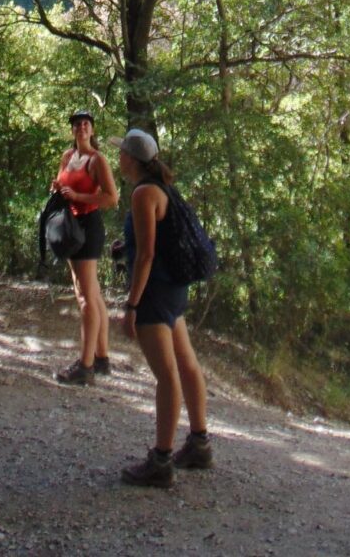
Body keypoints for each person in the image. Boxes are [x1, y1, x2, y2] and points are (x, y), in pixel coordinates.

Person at [110, 128, 213, 488]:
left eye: (122, 152)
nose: (118, 157)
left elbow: (149, 255)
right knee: (185, 364)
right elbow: (153, 240)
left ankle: (161, 461)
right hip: (175, 291)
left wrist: (132, 304)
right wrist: (129, 244)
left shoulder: (142, 193)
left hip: (154, 293)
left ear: (132, 160)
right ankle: (199, 443)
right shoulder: (162, 189)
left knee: (166, 374)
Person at [53, 110, 119, 385]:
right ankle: (102, 359)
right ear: (72, 131)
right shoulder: (68, 158)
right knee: (92, 293)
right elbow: (60, 183)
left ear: (92, 131)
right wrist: (57, 189)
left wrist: (78, 195)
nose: (81, 128)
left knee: (85, 299)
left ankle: (86, 365)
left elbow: (111, 198)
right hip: (70, 228)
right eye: (77, 125)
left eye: (86, 125)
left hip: (88, 228)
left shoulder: (97, 160)